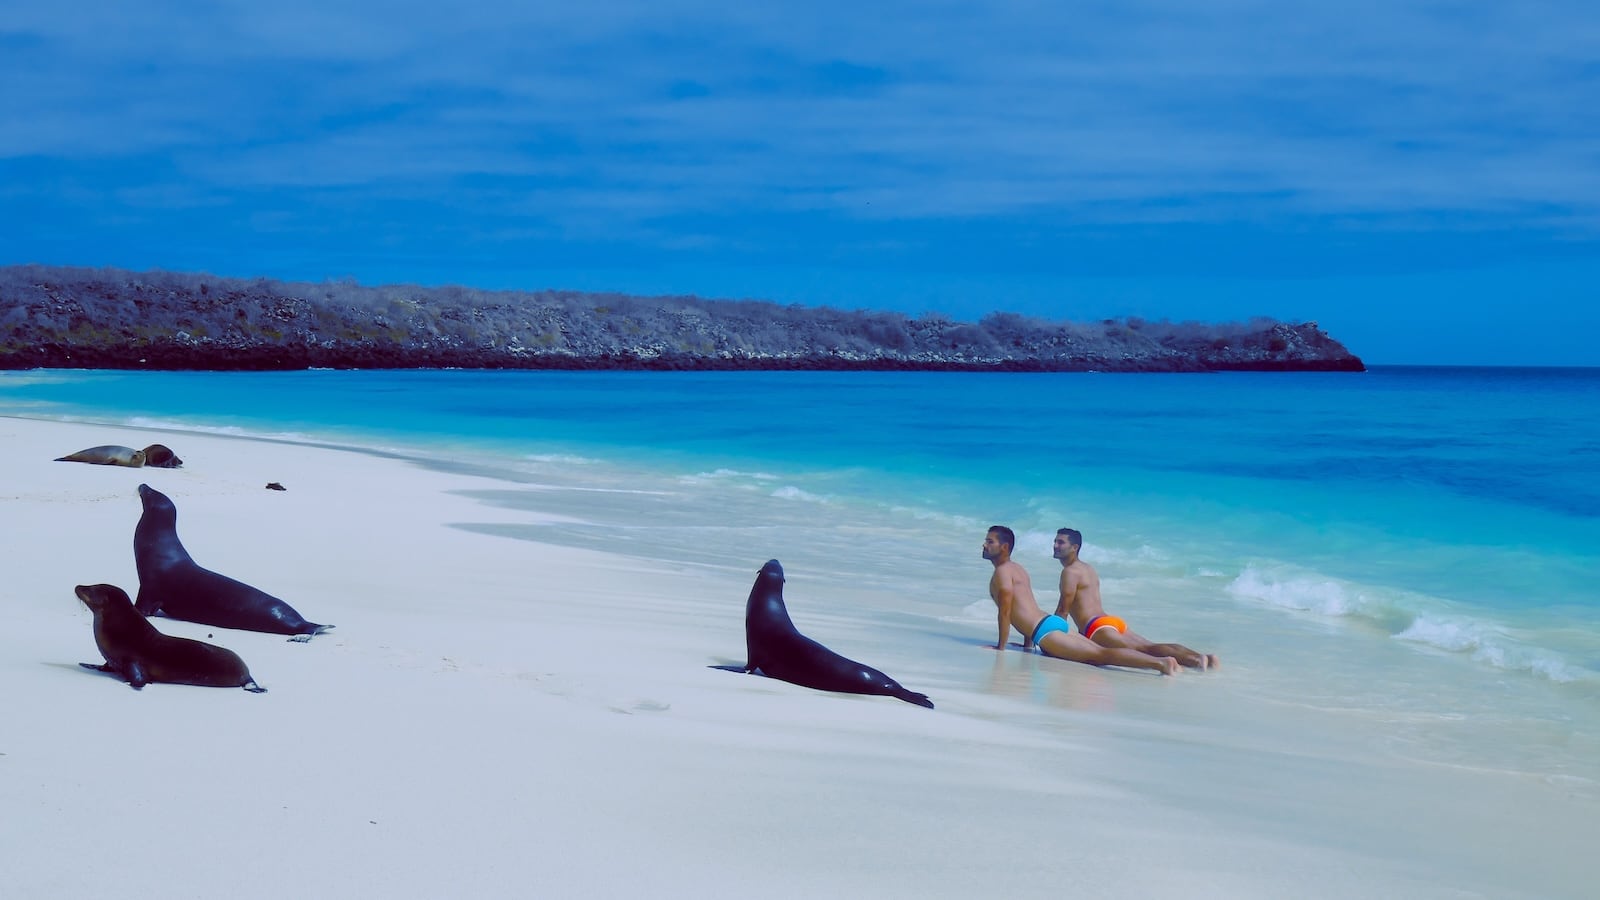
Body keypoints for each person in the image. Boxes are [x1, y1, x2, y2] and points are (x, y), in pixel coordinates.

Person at [983, 526, 1178, 676]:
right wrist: (1026, 645)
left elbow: (1006, 611)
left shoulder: (1002, 573)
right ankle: (1162, 661)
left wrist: (1000, 646)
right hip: (1049, 622)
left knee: (1100, 655)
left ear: (1004, 547)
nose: (984, 545)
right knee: (1102, 651)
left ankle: (1161, 663)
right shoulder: (1017, 568)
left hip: (1044, 632)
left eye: (989, 541)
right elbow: (1025, 605)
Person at [1053, 528, 1219, 670]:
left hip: (1095, 627)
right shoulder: (1088, 568)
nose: (1055, 546)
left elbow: (1063, 610)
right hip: (1109, 621)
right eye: (1055, 541)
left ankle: (1195, 660)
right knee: (1149, 646)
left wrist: (1054, 638)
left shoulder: (1070, 572)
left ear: (1075, 547)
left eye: (1061, 543)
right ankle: (1204, 658)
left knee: (1146, 650)